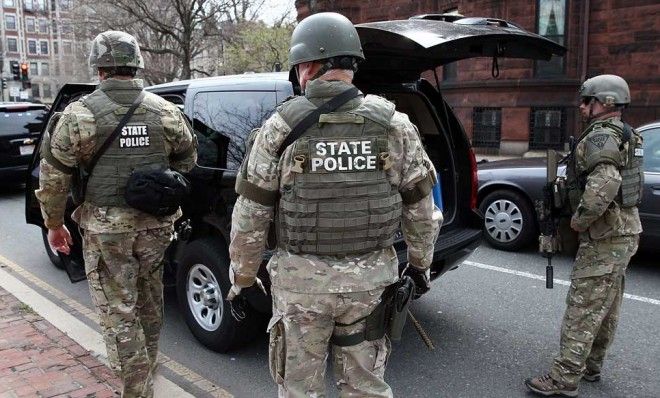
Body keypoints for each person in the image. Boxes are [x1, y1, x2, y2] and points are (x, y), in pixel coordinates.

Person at [228, 12, 441, 398]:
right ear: (352, 64)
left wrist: (242, 278)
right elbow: (422, 208)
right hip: (371, 285)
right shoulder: (394, 124)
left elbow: (251, 214)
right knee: (365, 388)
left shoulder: (280, 125)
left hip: (301, 286)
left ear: (307, 65)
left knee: (299, 389)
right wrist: (421, 265)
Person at [36, 30, 197, 397]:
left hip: (106, 230)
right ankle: (148, 367)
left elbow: (54, 178)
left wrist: (54, 224)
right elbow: (188, 161)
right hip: (156, 226)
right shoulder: (166, 111)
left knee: (118, 312)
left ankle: (137, 390)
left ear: (99, 68)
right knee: (150, 299)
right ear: (136, 64)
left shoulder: (78, 115)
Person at [525, 74, 643, 397]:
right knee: (605, 303)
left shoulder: (602, 137)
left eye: (587, 101)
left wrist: (578, 221)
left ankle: (564, 378)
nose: (581, 106)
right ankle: (591, 365)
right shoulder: (623, 134)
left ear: (604, 103)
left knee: (584, 305)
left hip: (605, 236)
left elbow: (604, 184)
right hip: (623, 232)